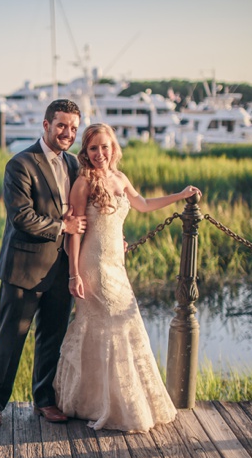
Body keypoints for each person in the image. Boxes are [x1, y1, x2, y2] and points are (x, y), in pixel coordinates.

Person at [54, 122, 201, 433]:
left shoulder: (120, 178)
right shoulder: (83, 183)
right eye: (93, 148)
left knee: (125, 323)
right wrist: (74, 274)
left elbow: (144, 205)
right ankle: (96, 402)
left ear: (113, 147)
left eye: (104, 146)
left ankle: (115, 400)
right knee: (106, 326)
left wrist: (181, 194)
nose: (99, 153)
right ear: (86, 151)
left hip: (116, 265)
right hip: (93, 265)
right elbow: (76, 234)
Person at [0, 99, 87, 428]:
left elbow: (84, 212)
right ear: (45, 125)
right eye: (61, 126)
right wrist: (62, 227)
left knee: (51, 339)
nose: (67, 133)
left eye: (73, 127)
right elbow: (21, 216)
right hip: (23, 269)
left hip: (62, 269)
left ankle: (44, 400)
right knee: (10, 339)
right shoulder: (20, 164)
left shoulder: (74, 165)